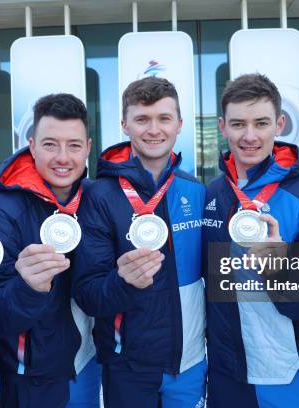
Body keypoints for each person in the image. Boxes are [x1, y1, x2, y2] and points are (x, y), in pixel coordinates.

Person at [72, 76, 206, 408]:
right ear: (124, 125)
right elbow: (87, 292)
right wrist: (123, 283)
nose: (154, 129)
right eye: (142, 119)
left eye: (164, 118)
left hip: (189, 363)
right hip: (126, 365)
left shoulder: (197, 191)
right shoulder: (99, 196)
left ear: (179, 124)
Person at [203, 73, 299, 407]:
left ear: (280, 123)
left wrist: (277, 270)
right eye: (238, 124)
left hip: (290, 369)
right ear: (222, 126)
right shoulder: (213, 194)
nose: (249, 136)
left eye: (261, 123)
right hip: (228, 371)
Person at [0, 94, 101, 407]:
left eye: (73, 145)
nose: (62, 157)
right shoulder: (0, 211)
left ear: (88, 147)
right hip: (30, 376)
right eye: (50, 144)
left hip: (92, 361)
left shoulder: (96, 199)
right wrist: (28, 287)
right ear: (31, 146)